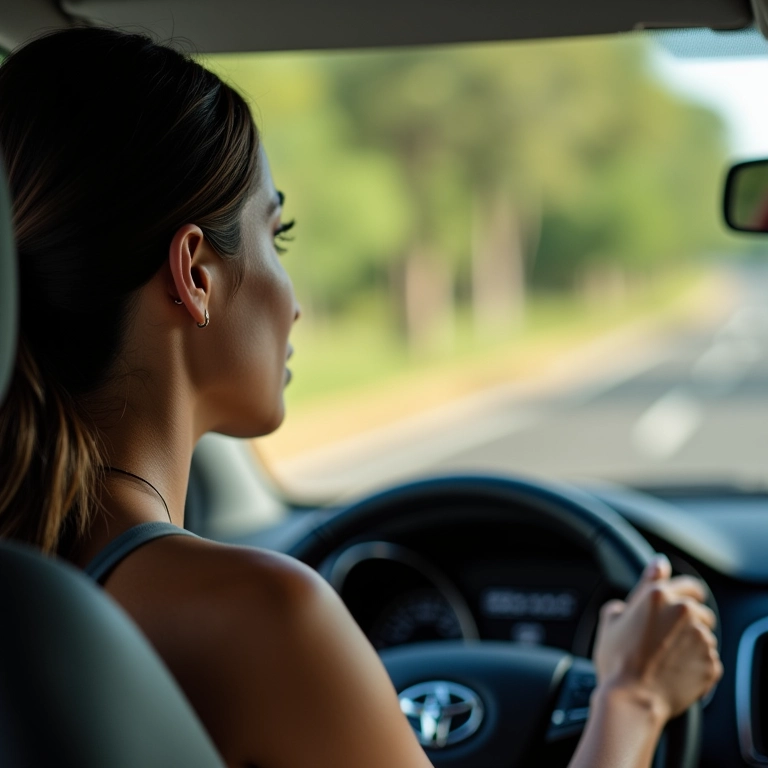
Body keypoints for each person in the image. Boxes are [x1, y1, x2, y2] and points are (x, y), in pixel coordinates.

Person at [0, 27, 721, 768]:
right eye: (274, 237)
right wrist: (632, 701)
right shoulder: (262, 618)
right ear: (195, 274)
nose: (294, 303)